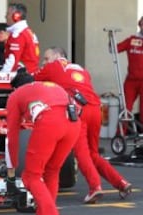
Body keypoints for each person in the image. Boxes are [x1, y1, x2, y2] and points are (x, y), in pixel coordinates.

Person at [34, 47, 132, 203]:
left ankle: (95, 187)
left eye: (46, 58)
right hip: (95, 108)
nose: (44, 62)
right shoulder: (81, 69)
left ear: (58, 56)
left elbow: (32, 79)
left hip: (78, 110)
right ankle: (121, 182)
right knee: (93, 153)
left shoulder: (52, 67)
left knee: (82, 154)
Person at [6, 69, 81, 215]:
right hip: (73, 123)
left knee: (31, 176)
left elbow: (12, 137)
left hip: (50, 122)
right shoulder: (51, 86)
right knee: (52, 171)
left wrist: (11, 168)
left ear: (15, 88)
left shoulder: (16, 96)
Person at [0, 3, 39, 74]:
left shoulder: (17, 34)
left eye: (8, 14)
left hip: (22, 78)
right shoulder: (29, 32)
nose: (5, 16)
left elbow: (12, 61)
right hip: (31, 74)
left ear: (16, 16)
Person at [117, 16, 143, 124]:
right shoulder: (132, 40)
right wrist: (111, 38)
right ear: (140, 25)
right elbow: (115, 48)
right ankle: (121, 134)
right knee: (126, 108)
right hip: (131, 81)